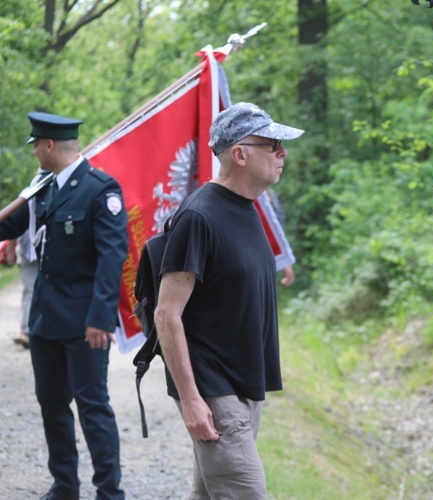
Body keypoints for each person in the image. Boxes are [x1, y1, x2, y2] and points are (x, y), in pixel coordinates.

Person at [154, 102, 304, 498]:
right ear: (240, 154)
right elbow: (167, 314)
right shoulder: (199, 217)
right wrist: (190, 399)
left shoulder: (249, 208)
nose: (282, 153)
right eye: (273, 145)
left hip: (245, 386)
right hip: (215, 392)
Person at [0, 112, 129, 499]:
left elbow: (112, 258)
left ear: (49, 145)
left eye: (36, 144)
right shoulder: (40, 188)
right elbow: (11, 225)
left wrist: (101, 319)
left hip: (85, 322)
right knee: (52, 405)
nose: (35, 151)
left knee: (93, 407)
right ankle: (65, 486)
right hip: (44, 320)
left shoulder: (99, 189)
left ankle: (109, 491)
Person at [2, 232, 39, 348]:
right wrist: (11, 250)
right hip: (28, 254)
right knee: (29, 292)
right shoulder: (23, 212)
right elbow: (15, 225)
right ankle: (27, 332)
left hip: (52, 255)